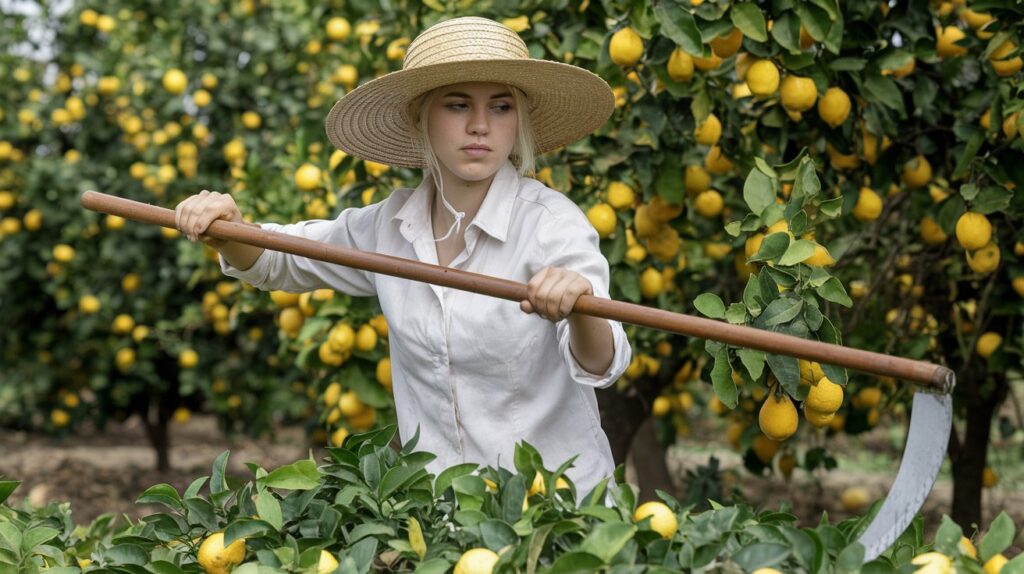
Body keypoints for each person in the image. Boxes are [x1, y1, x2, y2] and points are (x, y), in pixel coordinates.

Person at [173, 16, 632, 502]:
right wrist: (228, 229)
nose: (480, 125)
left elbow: (603, 362)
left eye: (501, 107)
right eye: (458, 105)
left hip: (556, 508)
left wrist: (579, 305)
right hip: (444, 515)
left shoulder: (550, 224)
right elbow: (281, 258)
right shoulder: (390, 226)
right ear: (420, 116)